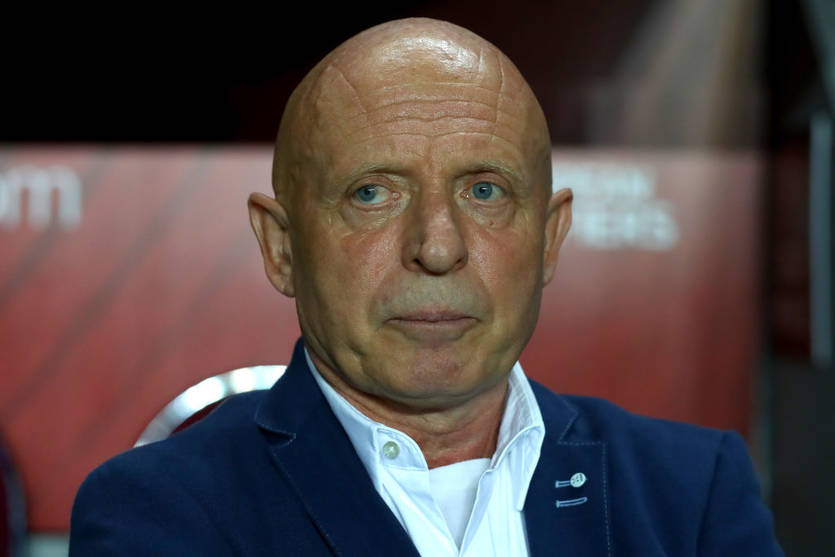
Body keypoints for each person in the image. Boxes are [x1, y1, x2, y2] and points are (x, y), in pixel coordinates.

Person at [69, 18, 783, 556]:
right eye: (372, 193)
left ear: (548, 237)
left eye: (484, 190)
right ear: (282, 247)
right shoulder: (159, 511)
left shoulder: (692, 491)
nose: (437, 247)